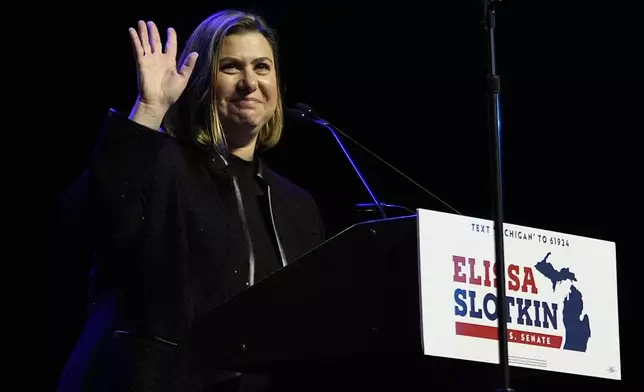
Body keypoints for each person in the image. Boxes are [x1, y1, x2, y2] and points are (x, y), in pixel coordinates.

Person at [56, 9, 325, 392]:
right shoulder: (160, 162)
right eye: (231, 67)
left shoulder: (296, 206)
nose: (250, 83)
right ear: (201, 82)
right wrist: (148, 112)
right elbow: (84, 225)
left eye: (262, 67)